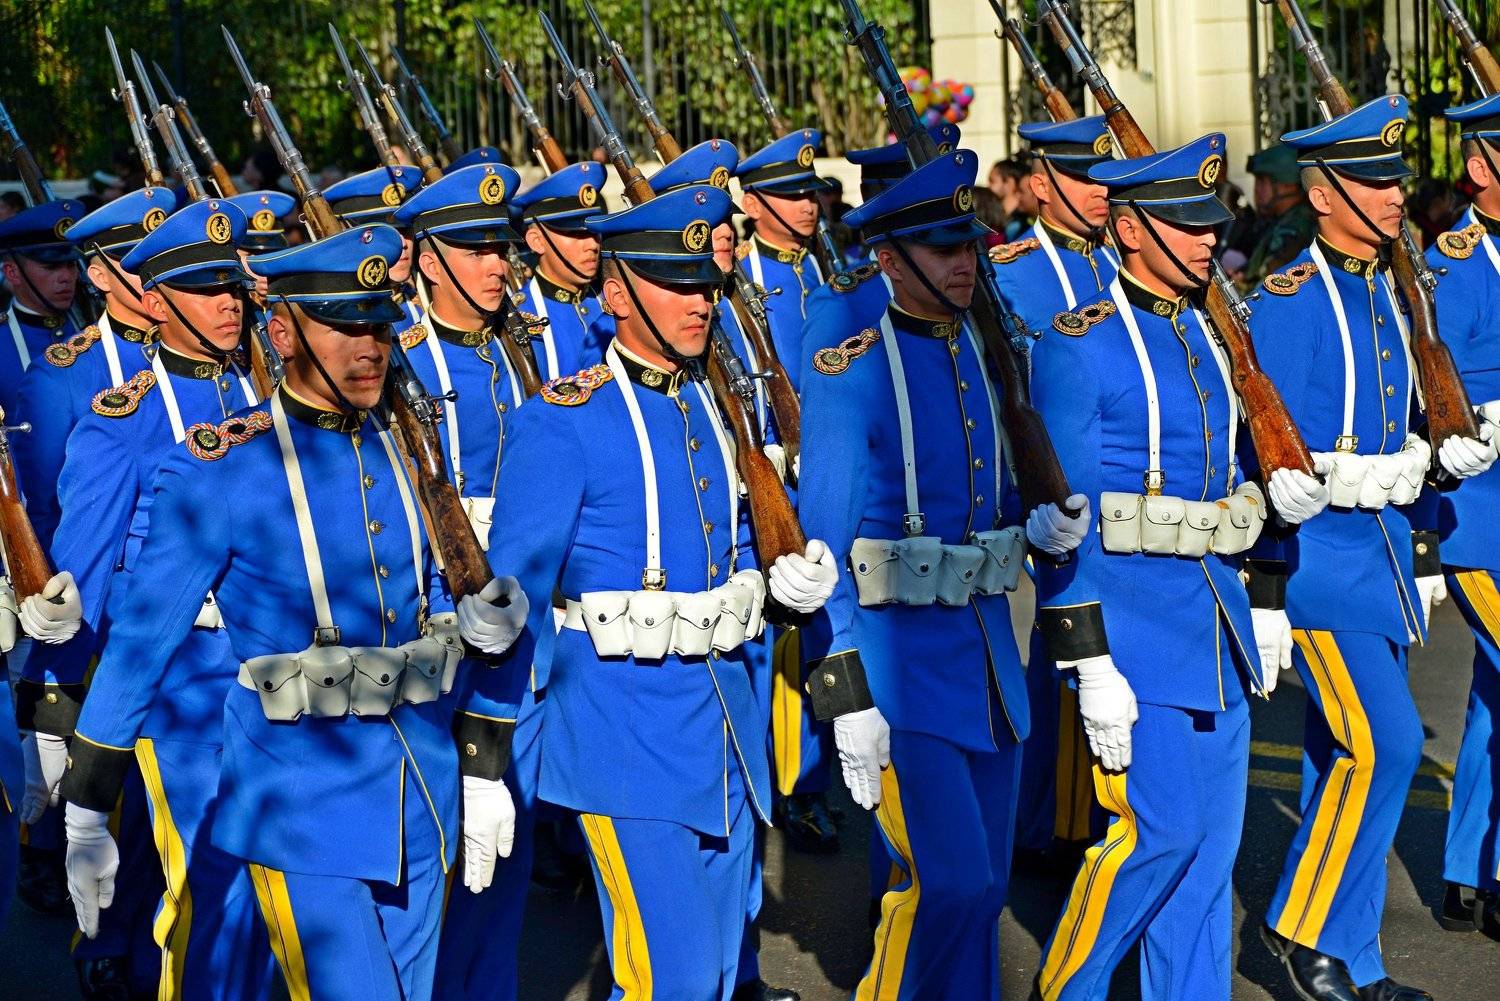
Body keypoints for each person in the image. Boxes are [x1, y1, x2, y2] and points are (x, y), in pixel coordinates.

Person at [58, 221, 526, 1001]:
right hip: (299, 804)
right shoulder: (221, 469)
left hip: (419, 789)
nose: (371, 348)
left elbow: (435, 592)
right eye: (346, 328)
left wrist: (480, 657)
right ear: (282, 332)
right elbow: (141, 642)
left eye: (380, 327)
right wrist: (87, 798)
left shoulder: (408, 447)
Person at [475, 182, 838, 999]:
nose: (700, 302)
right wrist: (487, 757)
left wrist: (786, 585)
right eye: (675, 284)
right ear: (616, 294)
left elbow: (734, 545)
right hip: (621, 742)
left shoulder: (714, 402)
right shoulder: (562, 420)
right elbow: (512, 607)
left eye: (705, 284)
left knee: (718, 974)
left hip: (723, 729)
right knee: (672, 979)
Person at [798, 146, 1085, 999]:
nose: (966, 262)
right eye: (944, 248)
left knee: (985, 891)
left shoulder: (985, 358)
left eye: (970, 244)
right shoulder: (851, 375)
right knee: (949, 884)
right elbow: (821, 554)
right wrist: (844, 691)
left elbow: (996, 497)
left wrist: (1036, 523)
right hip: (902, 676)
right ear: (890, 261)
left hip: (988, 667)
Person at [1028, 133, 1288, 1001]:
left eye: (1211, 224)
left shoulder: (1208, 330)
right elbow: (1059, 524)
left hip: (1214, 625)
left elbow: (1249, 473)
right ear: (1131, 229)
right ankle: (1065, 987)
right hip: (1133, 630)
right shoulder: (1079, 344)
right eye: (1187, 225)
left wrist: (1267, 593)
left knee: (1210, 858)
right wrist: (1087, 656)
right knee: (1160, 835)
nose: (1209, 238)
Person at [1248, 95, 1495, 1001]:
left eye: (1395, 180)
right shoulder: (1290, 299)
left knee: (1338, 762)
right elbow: (1264, 446)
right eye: (1373, 182)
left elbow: (1405, 419)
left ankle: (1357, 959)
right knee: (1387, 743)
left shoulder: (1392, 288)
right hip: (1320, 567)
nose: (1395, 196)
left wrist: (1439, 465)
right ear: (1323, 195)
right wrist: (1267, 585)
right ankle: (1300, 926)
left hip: (1382, 558)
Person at [36, 198, 273, 1000]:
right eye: (206, 288)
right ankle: (118, 954)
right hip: (176, 684)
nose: (230, 302)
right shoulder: (122, 421)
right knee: (200, 891)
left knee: (256, 900)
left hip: (265, 673)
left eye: (231, 285)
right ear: (157, 298)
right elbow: (80, 571)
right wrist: (58, 698)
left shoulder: (259, 392)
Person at [988, 115, 1119, 867]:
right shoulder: (1011, 272)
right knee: (1064, 640)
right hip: (1047, 486)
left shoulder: (1122, 262)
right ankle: (1049, 823)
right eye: (1081, 178)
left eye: (1104, 177)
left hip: (1121, 485)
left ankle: (1076, 814)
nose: (1100, 192)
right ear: (1040, 186)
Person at [1421, 92, 1500, 940]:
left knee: (1493, 690)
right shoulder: (1456, 261)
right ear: (1482, 168)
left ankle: (1467, 867)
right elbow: (1433, 384)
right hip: (1478, 519)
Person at [14, 186, 169, 554]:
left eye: (162, 260)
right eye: (137, 265)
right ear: (100, 278)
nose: (156, 275)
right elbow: (43, 502)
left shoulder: (204, 354)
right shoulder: (61, 374)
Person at [736, 129, 833, 389]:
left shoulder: (813, 261)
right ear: (752, 205)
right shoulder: (741, 275)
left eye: (810, 194)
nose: (808, 206)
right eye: (792, 196)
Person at [509, 160, 614, 375]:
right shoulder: (520, 317)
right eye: (575, 234)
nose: (593, 244)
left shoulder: (614, 301)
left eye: (594, 232)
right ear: (536, 241)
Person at [0, 198, 83, 417]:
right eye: (51, 266)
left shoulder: (94, 328)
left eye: (71, 264)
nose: (66, 277)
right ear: (12, 273)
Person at [1245, 143, 1316, 285]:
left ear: (1287, 185)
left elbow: (1275, 278)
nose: (1257, 189)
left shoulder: (1296, 225)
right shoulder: (1280, 220)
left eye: (1262, 181)